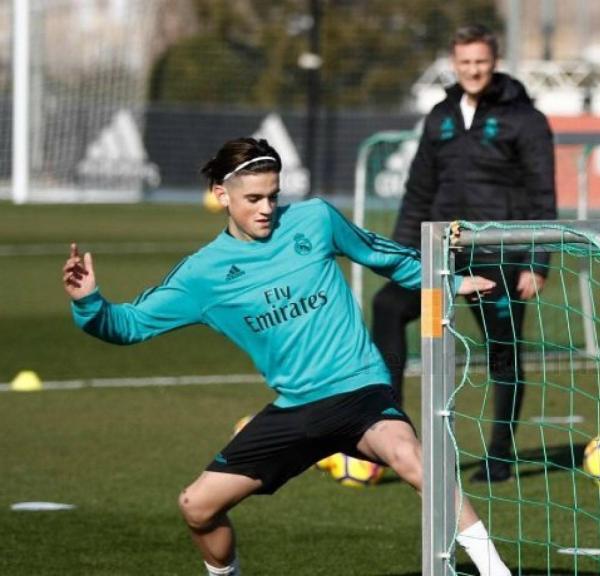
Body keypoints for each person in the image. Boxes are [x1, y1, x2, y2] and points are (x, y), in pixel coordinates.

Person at [62, 138, 512, 576]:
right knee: (197, 507)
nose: (266, 209)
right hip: (296, 409)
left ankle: (496, 572)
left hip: (359, 388)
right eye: (253, 198)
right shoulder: (203, 274)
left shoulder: (314, 219)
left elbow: (382, 255)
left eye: (273, 196)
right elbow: (128, 325)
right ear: (221, 195)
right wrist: (89, 301)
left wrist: (449, 283)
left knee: (413, 458)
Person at [371, 24, 557, 484]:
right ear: (454, 64)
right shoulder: (440, 116)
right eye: (464, 63)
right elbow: (419, 190)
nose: (472, 70)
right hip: (441, 255)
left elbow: (542, 195)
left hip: (499, 256)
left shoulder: (526, 120)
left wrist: (537, 263)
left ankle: (499, 454)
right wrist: (403, 255)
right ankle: (392, 432)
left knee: (503, 352)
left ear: (493, 62)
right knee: (387, 306)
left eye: (480, 62)